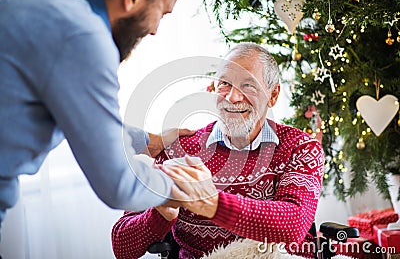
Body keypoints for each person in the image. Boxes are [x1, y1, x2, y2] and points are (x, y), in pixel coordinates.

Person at [111, 42, 325, 259]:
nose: (232, 97)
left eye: (248, 85)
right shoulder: (180, 148)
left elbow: (294, 225)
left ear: (273, 95)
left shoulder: (300, 148)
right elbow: (121, 247)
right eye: (224, 83)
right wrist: (160, 215)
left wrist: (210, 203)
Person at [0, 0, 193, 232]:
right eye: (161, 13)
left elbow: (88, 121)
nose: (154, 30)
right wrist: (184, 187)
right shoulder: (81, 36)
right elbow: (119, 185)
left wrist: (148, 142)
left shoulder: (53, 9)